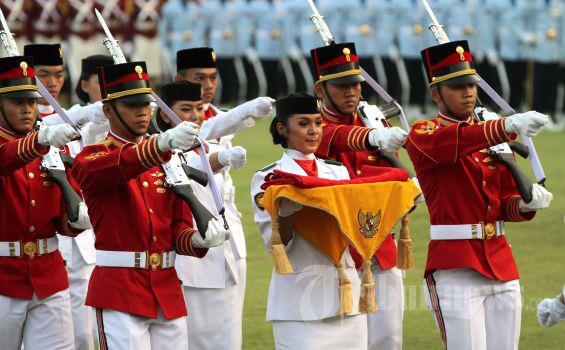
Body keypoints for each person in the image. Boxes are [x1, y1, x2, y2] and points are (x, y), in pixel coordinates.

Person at [406, 39, 553, 350]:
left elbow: (505, 205)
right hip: (455, 265)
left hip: (500, 262)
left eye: (471, 85)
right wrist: (506, 125)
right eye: (457, 87)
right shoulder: (424, 134)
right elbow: (456, 141)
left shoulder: (490, 135)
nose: (468, 93)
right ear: (436, 94)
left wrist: (526, 203)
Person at [71, 61, 229, 349]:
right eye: (132, 106)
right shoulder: (93, 157)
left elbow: (177, 226)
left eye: (146, 105)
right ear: (108, 110)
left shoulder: (166, 159)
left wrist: (195, 238)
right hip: (120, 290)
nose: (143, 112)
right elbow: (114, 167)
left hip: (166, 288)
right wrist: (159, 147)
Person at [310, 42, 408, 350]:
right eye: (341, 85)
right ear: (321, 90)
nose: (351, 92)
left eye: (355, 84)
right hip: (338, 252)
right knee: (344, 341)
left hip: (381, 245)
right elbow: (333, 136)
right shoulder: (312, 126)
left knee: (388, 339)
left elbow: (400, 173)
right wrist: (372, 136)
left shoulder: (373, 120)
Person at [251, 93, 368, 349]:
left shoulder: (337, 171)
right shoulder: (268, 178)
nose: (314, 131)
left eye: (317, 122)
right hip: (299, 304)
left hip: (345, 296)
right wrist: (285, 214)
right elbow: (276, 246)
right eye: (304, 124)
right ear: (282, 128)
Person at [0, 55, 91, 350]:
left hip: (48, 273)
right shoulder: (38, 143)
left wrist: (74, 220)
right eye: (17, 102)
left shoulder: (53, 145)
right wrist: (39, 142)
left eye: (32, 101)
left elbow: (64, 215)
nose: (28, 108)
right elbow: (5, 160)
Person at [157, 80, 248, 349]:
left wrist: (220, 157)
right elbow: (182, 167)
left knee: (228, 342)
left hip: (224, 258)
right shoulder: (154, 150)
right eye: (186, 109)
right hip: (188, 264)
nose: (195, 116)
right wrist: (220, 160)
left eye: (199, 108)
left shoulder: (205, 146)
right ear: (165, 114)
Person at [23, 44, 107, 129]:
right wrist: (81, 114)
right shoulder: (20, 119)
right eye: (43, 75)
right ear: (28, 79)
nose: (53, 83)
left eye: (59, 75)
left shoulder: (68, 114)